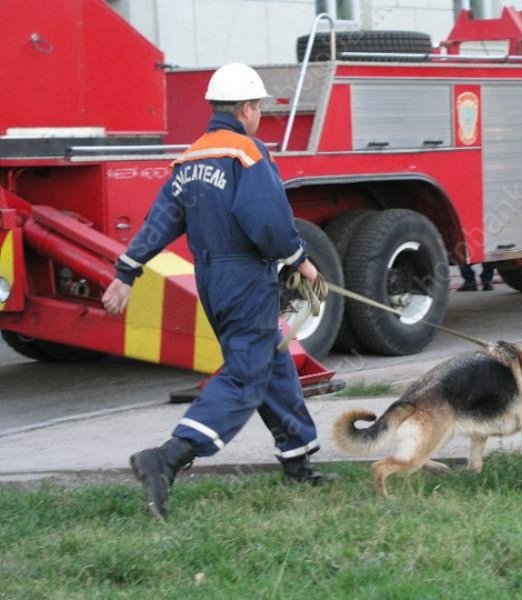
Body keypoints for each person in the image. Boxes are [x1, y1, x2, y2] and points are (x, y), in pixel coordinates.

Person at [102, 62, 336, 521]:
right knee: (246, 377)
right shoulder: (247, 153)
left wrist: (126, 272)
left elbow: (161, 221)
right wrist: (300, 261)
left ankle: (298, 460)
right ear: (247, 107)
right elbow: (267, 218)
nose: (260, 116)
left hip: (211, 278)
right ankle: (167, 458)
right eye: (259, 108)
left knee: (271, 363)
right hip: (246, 276)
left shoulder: (190, 158)